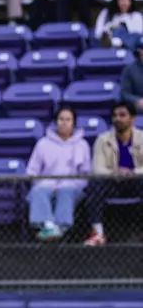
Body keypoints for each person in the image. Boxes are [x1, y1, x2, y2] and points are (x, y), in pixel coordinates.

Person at [26, 106, 91, 240]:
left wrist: (71, 184)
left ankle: (61, 227)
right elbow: (32, 171)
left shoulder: (82, 145)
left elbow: (85, 174)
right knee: (39, 191)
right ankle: (49, 225)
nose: (64, 123)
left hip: (72, 185)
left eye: (68, 119)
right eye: (61, 119)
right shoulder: (43, 144)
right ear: (56, 122)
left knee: (66, 190)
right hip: (47, 183)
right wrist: (44, 183)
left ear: (73, 123)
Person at [84, 102, 143, 246]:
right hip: (112, 183)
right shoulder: (102, 139)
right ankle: (98, 233)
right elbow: (97, 169)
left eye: (123, 115)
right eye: (115, 116)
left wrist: (132, 172)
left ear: (132, 119)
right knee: (94, 184)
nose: (118, 119)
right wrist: (114, 173)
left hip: (136, 182)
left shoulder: (142, 138)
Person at [120, 35, 143, 113]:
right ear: (139, 50)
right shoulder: (129, 69)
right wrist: (138, 100)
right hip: (138, 109)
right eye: (142, 48)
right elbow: (124, 94)